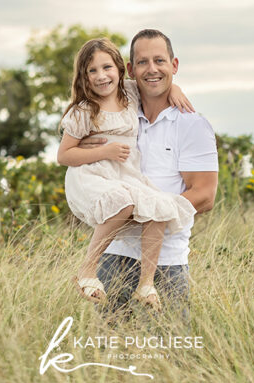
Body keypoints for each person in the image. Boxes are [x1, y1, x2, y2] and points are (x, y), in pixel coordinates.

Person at [81, 29, 218, 321]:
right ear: (130, 70)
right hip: (112, 257)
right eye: (142, 62)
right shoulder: (115, 115)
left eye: (160, 61)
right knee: (107, 357)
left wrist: (145, 213)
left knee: (169, 356)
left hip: (166, 263)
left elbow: (205, 196)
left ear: (175, 66)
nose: (152, 69)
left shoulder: (192, 125)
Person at [57, 38, 198, 310]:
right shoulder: (84, 110)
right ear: (84, 77)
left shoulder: (130, 94)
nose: (101, 76)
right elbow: (64, 155)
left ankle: (146, 284)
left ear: (120, 69)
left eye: (107, 67)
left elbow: (156, 85)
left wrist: (175, 88)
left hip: (125, 174)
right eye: (92, 71)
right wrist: (103, 152)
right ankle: (87, 271)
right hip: (92, 175)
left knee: (160, 206)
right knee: (124, 201)